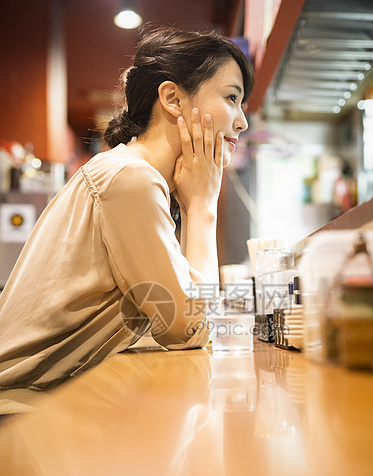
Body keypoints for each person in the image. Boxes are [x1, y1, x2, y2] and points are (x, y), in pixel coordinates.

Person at [0, 25, 254, 410]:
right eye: (231, 98)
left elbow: (180, 317)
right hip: (19, 414)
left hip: (41, 401)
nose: (241, 122)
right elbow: (189, 325)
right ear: (172, 97)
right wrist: (202, 205)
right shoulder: (131, 178)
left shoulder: (133, 175)